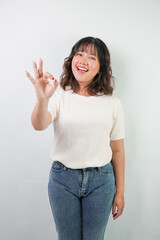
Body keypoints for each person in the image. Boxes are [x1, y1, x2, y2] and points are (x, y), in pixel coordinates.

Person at [25, 36, 125, 240]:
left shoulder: (112, 103)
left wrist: (120, 191)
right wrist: (42, 100)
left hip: (101, 181)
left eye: (91, 57)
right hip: (63, 180)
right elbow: (39, 125)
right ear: (71, 59)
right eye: (79, 54)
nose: (83, 60)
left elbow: (117, 150)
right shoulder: (59, 95)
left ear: (101, 67)